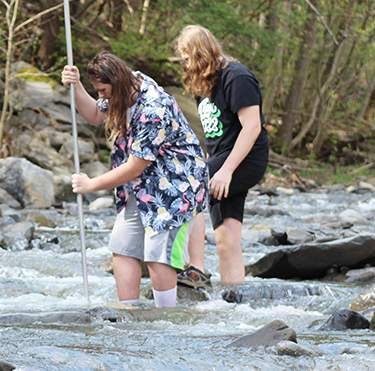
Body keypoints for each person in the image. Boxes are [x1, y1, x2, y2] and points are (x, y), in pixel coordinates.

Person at [62, 52, 209, 308]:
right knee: (122, 245)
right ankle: (128, 312)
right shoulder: (125, 88)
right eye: (97, 90)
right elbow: (95, 115)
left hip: (177, 185)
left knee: (157, 255)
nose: (101, 96)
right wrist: (76, 86)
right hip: (143, 185)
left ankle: (166, 318)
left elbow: (134, 166)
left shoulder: (153, 107)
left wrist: (91, 185)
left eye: (103, 90)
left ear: (117, 82)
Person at [175, 25, 269, 286]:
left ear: (200, 53)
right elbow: (215, 130)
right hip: (222, 158)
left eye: (187, 57)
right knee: (226, 238)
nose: (185, 64)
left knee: (188, 188)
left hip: (245, 159)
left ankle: (197, 270)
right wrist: (210, 161)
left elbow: (252, 127)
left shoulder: (237, 78)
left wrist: (225, 170)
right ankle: (234, 297)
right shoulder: (203, 83)